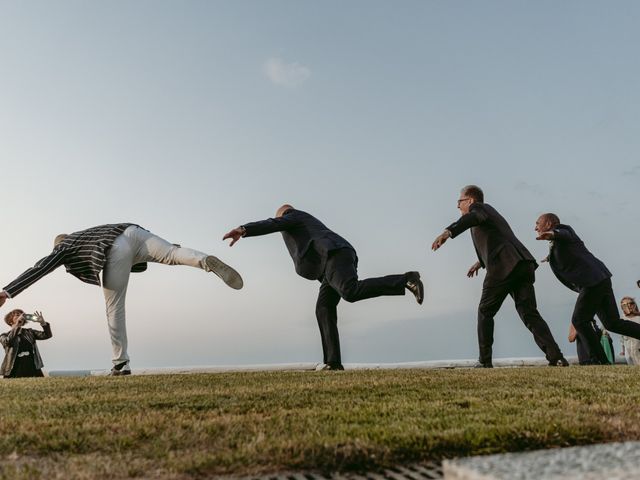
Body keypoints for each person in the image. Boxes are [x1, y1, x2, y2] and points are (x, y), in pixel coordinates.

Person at [0, 223, 243, 375]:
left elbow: (38, 268)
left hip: (115, 250)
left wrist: (7, 291)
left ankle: (120, 363)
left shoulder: (64, 247)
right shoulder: (87, 234)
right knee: (172, 253)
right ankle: (204, 260)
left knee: (114, 308)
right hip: (133, 231)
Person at [223, 204, 424, 371]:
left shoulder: (293, 216)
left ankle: (407, 279)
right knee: (323, 309)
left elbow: (272, 224)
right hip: (328, 266)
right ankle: (333, 362)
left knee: (350, 291)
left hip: (334, 254)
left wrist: (243, 229)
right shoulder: (300, 226)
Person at [432, 185, 568, 368]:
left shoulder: (479, 209)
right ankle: (556, 357)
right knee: (529, 313)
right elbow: (497, 238)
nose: (458, 206)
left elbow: (476, 218)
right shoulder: (489, 215)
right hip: (522, 264)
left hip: (504, 266)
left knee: (485, 311)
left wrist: (447, 232)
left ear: (470, 201)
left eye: (459, 201)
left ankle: (484, 361)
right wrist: (480, 262)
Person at [535, 213, 640, 365]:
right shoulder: (560, 244)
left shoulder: (563, 230)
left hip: (592, 282)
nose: (535, 227)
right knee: (612, 323)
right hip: (601, 278)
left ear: (549, 223)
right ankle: (602, 361)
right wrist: (551, 257)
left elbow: (562, 234)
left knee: (579, 320)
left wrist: (552, 234)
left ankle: (600, 361)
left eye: (538, 223)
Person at [1, 310, 51, 378]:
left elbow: (47, 335)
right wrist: (17, 325)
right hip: (14, 368)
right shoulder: (4, 335)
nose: (21, 316)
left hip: (32, 367)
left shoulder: (30, 332)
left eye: (22, 315)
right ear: (10, 321)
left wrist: (43, 323)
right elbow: (8, 341)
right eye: (17, 315)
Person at [620, 296, 640, 365]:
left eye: (631, 303)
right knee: (629, 360)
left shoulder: (639, 317)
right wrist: (622, 349)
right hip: (627, 347)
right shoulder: (622, 319)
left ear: (634, 305)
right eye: (625, 304)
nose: (629, 306)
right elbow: (621, 336)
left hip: (638, 346)